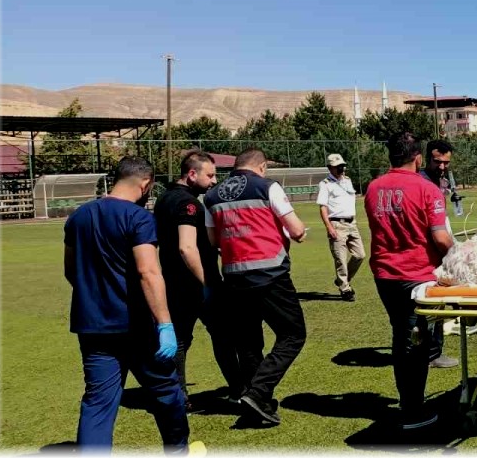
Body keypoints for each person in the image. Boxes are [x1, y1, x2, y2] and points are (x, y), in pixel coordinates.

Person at [64, 156, 189, 452]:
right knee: (167, 393)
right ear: (146, 184)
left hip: (93, 327)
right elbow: (149, 272)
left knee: (98, 403)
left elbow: (71, 271)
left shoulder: (78, 217)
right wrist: (165, 324)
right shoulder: (138, 217)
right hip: (137, 326)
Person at [204, 148, 308, 427]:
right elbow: (296, 230)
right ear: (261, 167)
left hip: (234, 277)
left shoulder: (212, 196)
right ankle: (258, 392)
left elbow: (213, 241)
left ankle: (256, 403)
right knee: (293, 335)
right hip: (270, 274)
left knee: (248, 343)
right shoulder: (267, 186)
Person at [365, 132, 455, 431]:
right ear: (418, 158)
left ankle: (410, 402)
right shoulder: (427, 189)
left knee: (402, 336)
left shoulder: (373, 187)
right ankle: (413, 410)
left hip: (384, 275)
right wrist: (461, 257)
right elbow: (441, 238)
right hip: (416, 275)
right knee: (415, 343)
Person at [154, 149, 243, 412]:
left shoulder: (164, 198)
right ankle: (238, 389)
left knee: (180, 339)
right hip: (194, 283)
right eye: (210, 175)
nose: (214, 181)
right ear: (192, 174)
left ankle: (178, 395)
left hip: (172, 281)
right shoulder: (188, 203)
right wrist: (207, 283)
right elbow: (186, 247)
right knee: (223, 334)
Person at [417, 139, 462, 369]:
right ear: (427, 159)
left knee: (437, 305)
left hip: (439, 247)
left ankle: (432, 350)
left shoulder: (440, 181)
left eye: (446, 162)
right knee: (431, 306)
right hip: (430, 252)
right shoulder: (421, 182)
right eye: (437, 162)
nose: (442, 166)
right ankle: (431, 354)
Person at [317, 153, 364, 302]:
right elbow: (323, 207)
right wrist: (329, 227)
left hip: (352, 223)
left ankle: (342, 279)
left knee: (360, 255)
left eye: (342, 166)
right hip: (336, 224)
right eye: (338, 167)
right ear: (330, 168)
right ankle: (345, 289)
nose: (341, 169)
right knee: (341, 260)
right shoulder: (325, 184)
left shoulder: (347, 181)